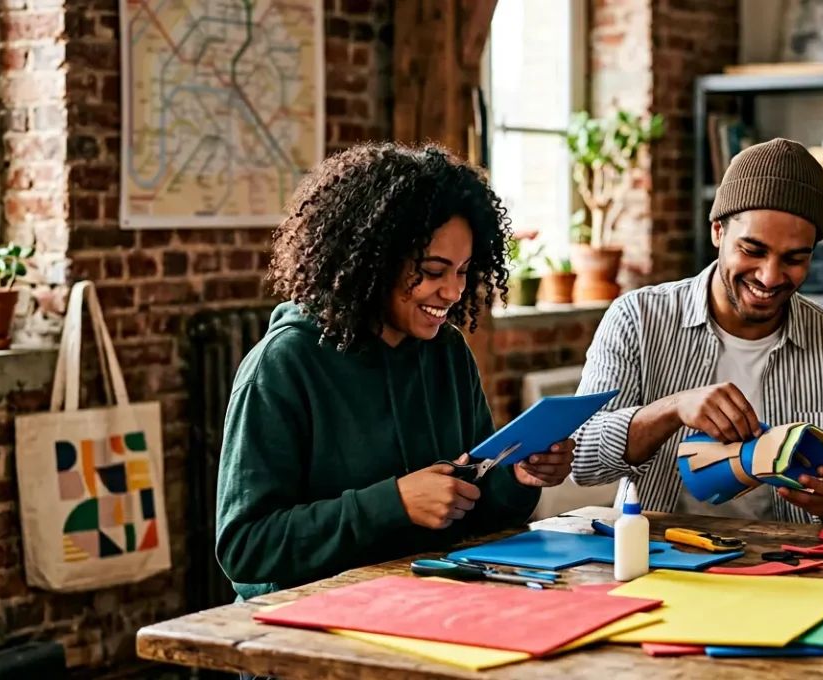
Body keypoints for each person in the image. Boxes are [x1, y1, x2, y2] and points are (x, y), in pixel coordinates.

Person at [214, 142, 575, 603]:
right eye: (432, 270)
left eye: (464, 271)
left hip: (425, 604)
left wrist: (518, 478)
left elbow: (475, 506)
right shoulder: (282, 366)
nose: (452, 290)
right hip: (306, 627)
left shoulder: (447, 353)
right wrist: (394, 504)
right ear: (374, 257)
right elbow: (246, 546)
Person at [571, 138, 823, 527]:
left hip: (791, 567)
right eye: (752, 250)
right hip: (653, 555)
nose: (770, 277)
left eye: (794, 259)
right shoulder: (637, 317)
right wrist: (673, 409)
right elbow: (580, 458)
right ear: (718, 231)